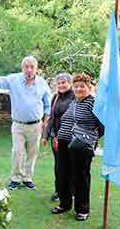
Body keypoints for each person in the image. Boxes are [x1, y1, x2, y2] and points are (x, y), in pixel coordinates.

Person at [0, 55, 51, 190]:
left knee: (32, 152)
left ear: (36, 69)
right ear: (22, 68)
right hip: (18, 125)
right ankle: (15, 178)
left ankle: (27, 178)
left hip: (36, 125)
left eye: (32, 67)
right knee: (17, 152)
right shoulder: (14, 79)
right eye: (26, 67)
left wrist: (45, 123)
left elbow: (48, 105)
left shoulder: (42, 83)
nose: (29, 70)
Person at [51, 73, 103, 221]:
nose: (79, 89)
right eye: (76, 86)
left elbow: (102, 126)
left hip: (80, 145)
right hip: (64, 143)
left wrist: (91, 140)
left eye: (82, 86)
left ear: (89, 87)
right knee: (63, 174)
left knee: (80, 177)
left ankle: (82, 209)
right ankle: (64, 203)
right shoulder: (74, 102)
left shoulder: (93, 102)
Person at [42, 73, 75, 201]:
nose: (61, 85)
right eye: (59, 83)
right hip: (55, 138)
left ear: (70, 83)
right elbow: (51, 118)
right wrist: (46, 135)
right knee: (59, 166)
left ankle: (71, 191)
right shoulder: (55, 97)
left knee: (70, 166)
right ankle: (59, 190)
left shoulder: (75, 97)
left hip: (70, 138)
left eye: (64, 82)